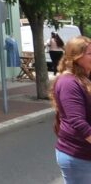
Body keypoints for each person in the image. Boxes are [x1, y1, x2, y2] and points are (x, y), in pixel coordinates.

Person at [51, 36, 91, 183]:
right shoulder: (69, 82)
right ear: (76, 57)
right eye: (90, 54)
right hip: (79, 156)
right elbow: (78, 122)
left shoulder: (85, 77)